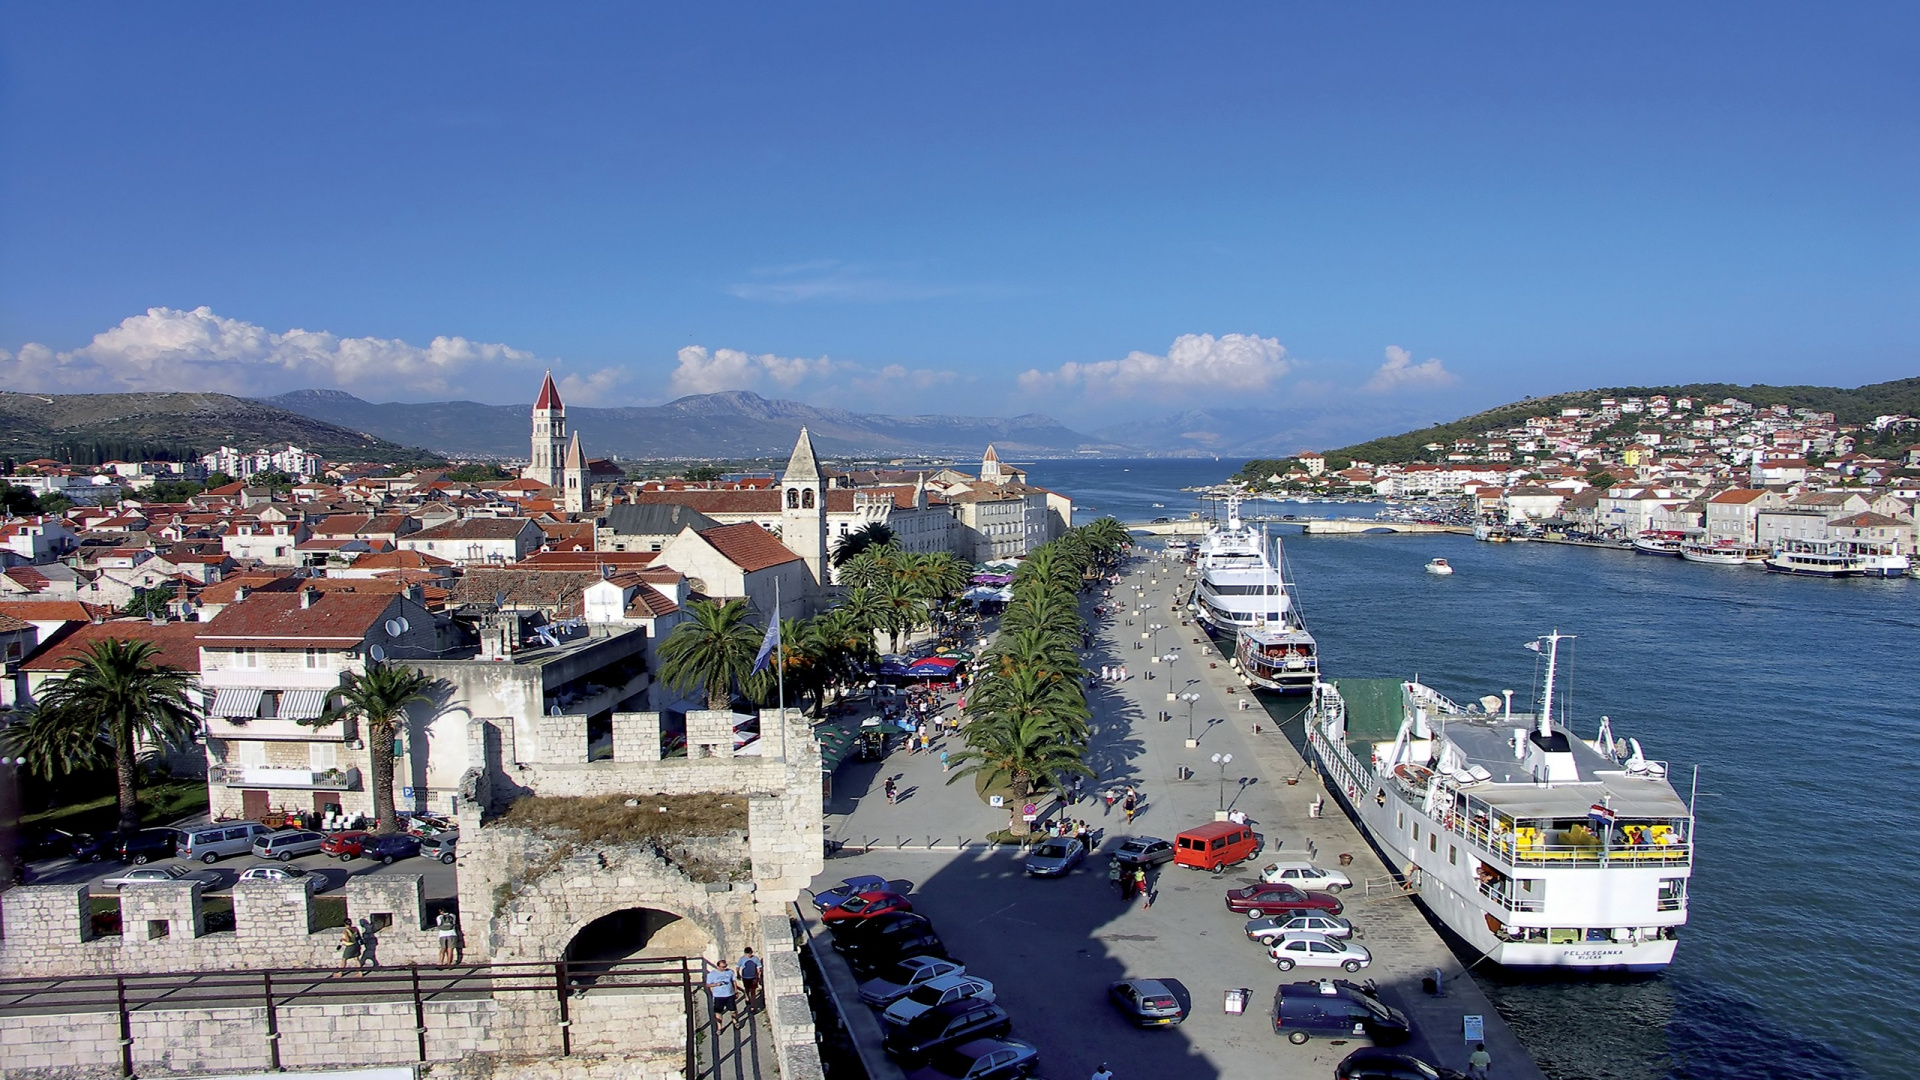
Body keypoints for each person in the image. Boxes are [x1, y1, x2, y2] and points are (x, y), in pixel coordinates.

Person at [706, 958, 738, 1027]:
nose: (724, 968)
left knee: (733, 1010)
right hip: (718, 996)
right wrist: (715, 984)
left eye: (725, 966)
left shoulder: (730, 972)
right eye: (723, 967)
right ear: (718, 966)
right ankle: (719, 1027)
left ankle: (735, 1021)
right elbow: (707, 985)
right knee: (718, 1012)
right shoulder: (711, 974)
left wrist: (736, 991)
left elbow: (734, 982)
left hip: (729, 995)